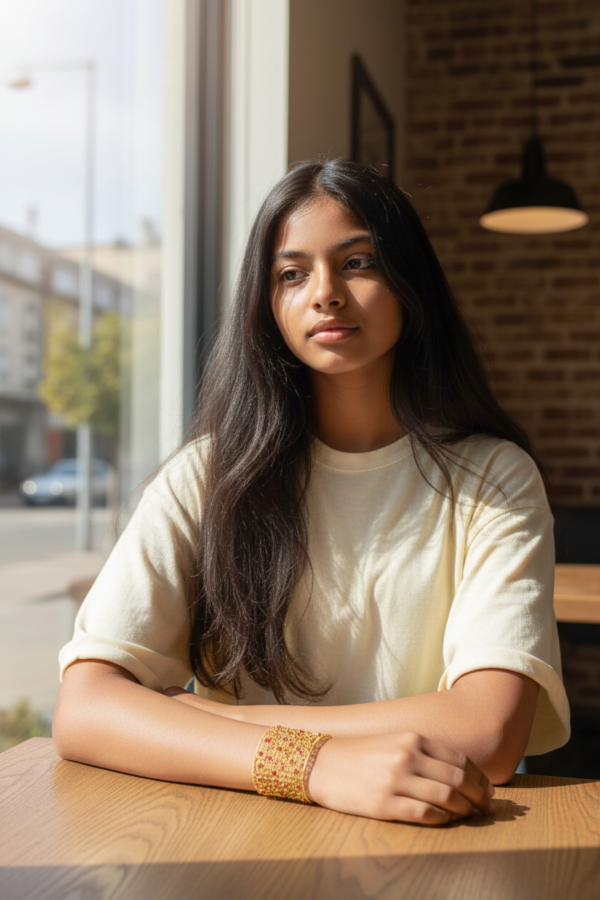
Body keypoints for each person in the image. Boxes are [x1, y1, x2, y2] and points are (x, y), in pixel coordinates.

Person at [54, 159, 569, 826]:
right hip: (233, 845)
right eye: (291, 274)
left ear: (411, 282)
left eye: (357, 263)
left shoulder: (493, 479)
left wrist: (213, 718)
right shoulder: (208, 478)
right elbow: (86, 709)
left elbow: (489, 732)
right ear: (267, 305)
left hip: (429, 844)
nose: (324, 293)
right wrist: (312, 765)